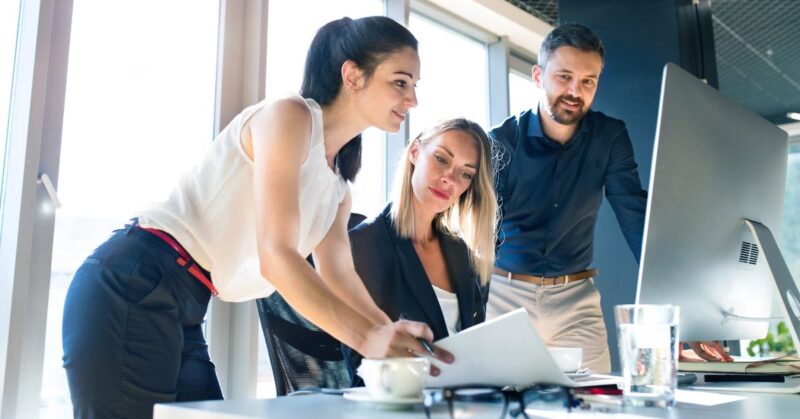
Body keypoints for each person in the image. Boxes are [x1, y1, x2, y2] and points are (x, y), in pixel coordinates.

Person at [61, 16, 452, 419]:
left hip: (188, 302)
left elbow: (340, 277)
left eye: (414, 86)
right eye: (401, 82)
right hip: (134, 281)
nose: (413, 100)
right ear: (353, 76)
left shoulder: (338, 188)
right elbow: (276, 254)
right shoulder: (290, 116)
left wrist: (394, 336)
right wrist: (369, 338)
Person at [486, 22, 731, 373]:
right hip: (505, 296)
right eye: (564, 77)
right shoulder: (500, 140)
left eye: (588, 81)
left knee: (598, 405)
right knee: (496, 404)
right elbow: (483, 233)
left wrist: (686, 309)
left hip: (576, 300)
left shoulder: (610, 137)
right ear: (538, 76)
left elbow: (636, 219)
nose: (575, 91)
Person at [343, 118, 497, 383]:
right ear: (415, 152)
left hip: (462, 398)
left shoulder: (460, 252)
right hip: (402, 401)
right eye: (441, 159)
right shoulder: (366, 244)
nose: (449, 178)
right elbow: (361, 364)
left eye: (465, 174)